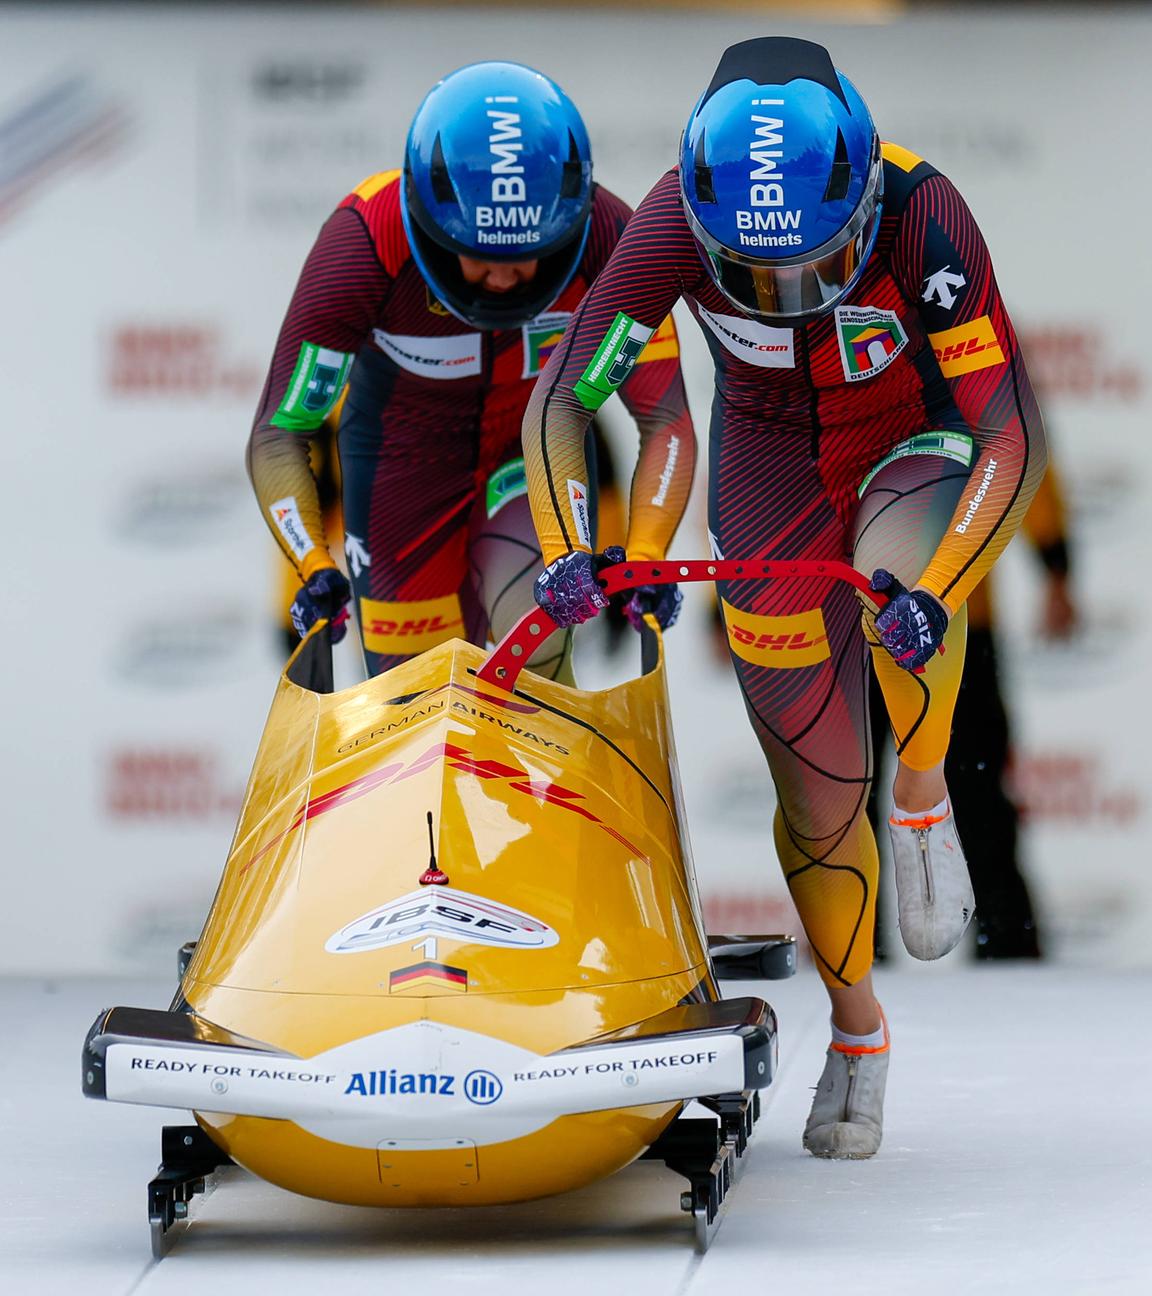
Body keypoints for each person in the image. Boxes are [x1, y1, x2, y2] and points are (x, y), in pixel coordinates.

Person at [522, 37, 1046, 1157]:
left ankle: (920, 786)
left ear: (859, 201)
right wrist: (573, 543)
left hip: (912, 439)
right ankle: (858, 1030)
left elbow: (1008, 435)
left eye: (818, 263)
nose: (793, 296)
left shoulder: (922, 214)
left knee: (902, 590)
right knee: (813, 792)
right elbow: (567, 401)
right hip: (766, 465)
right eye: (755, 276)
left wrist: (942, 592)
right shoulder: (667, 224)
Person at [248, 61, 693, 681]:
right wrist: (311, 562)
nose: (504, 277)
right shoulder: (365, 243)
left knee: (533, 658)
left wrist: (645, 553)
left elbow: (664, 419)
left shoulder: (612, 240)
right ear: (427, 221)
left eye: (529, 252)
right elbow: (282, 430)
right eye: (478, 254)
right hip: (400, 474)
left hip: (530, 457)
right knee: (414, 704)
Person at [868, 464, 1077, 961]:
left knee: (978, 795)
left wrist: (1056, 565)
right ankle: (848, 947)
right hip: (902, 628)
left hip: (949, 627)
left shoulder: (971, 385)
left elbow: (1019, 457)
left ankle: (1008, 946)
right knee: (844, 798)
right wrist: (1057, 566)